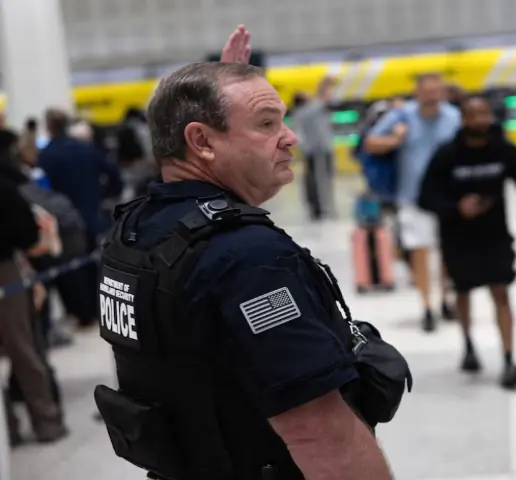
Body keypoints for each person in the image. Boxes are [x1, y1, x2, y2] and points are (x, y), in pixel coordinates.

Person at [93, 26, 405, 480]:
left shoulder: (137, 230)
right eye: (266, 124)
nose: (290, 137)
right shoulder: (248, 259)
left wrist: (224, 94)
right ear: (201, 141)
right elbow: (320, 434)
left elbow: (199, 363)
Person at [418, 96, 516, 389]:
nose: (481, 120)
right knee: (463, 293)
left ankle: (508, 360)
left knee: (501, 292)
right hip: (458, 237)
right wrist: (457, 208)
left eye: (485, 114)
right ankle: (468, 345)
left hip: (495, 236)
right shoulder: (447, 155)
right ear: (464, 120)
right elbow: (425, 196)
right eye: (474, 115)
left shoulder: (503, 150)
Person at [365, 73, 460, 332]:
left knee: (446, 253)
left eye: (436, 91)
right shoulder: (402, 116)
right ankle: (426, 305)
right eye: (426, 91)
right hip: (412, 197)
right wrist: (395, 139)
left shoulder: (453, 117)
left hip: (446, 197)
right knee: (419, 251)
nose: (431, 96)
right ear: (417, 93)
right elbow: (371, 143)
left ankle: (445, 299)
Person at [0, 165, 68, 446]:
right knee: (24, 350)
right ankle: (46, 422)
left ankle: (8, 432)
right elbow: (27, 232)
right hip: (5, 271)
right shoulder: (4, 186)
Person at [38, 108, 123, 328]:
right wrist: (105, 194)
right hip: (92, 213)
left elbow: (43, 190)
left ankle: (83, 313)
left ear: (49, 126)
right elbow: (113, 174)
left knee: (72, 268)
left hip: (64, 220)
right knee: (95, 263)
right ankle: (99, 308)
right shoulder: (87, 149)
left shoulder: (47, 155)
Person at [292, 77, 337, 221]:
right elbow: (323, 98)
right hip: (319, 151)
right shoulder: (309, 111)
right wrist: (324, 83)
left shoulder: (299, 113)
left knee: (313, 180)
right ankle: (324, 209)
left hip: (311, 151)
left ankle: (316, 209)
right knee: (323, 180)